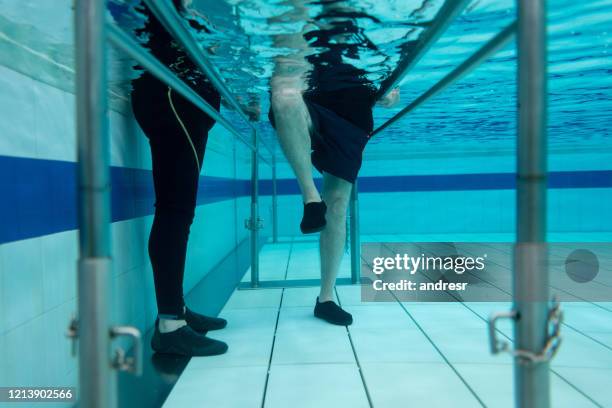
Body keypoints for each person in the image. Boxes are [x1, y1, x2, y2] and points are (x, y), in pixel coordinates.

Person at [269, 2, 400, 325]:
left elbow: (392, 76)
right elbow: (280, 60)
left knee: (338, 203)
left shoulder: (372, 21)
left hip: (355, 114)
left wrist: (389, 92)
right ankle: (310, 198)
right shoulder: (297, 11)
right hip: (310, 100)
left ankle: (325, 298)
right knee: (284, 95)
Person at [130, 0, 228, 356]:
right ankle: (170, 326)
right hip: (173, 97)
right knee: (174, 211)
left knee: (179, 211)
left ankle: (178, 311)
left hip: (183, 101)